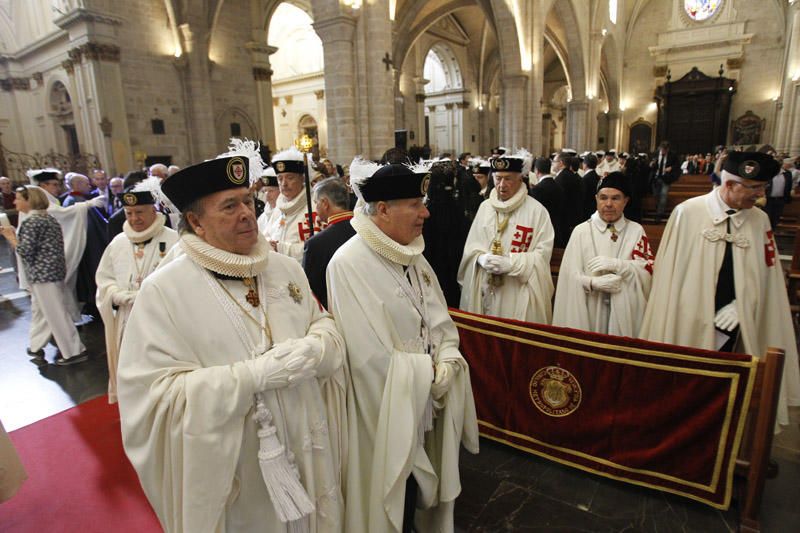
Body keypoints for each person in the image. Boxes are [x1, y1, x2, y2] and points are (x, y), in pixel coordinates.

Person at [117, 147, 346, 532]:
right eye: (228, 206)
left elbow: (322, 324)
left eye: (247, 200)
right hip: (241, 468)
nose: (246, 213)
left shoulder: (284, 267)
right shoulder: (165, 291)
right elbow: (154, 399)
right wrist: (253, 377)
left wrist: (316, 348)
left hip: (306, 442)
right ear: (195, 221)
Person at [326, 162, 478, 533]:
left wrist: (447, 357)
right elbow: (367, 358)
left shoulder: (412, 254)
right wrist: (428, 375)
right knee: (394, 497)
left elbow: (439, 321)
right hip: (385, 415)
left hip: (425, 402)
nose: (426, 212)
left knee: (418, 502)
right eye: (415, 203)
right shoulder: (349, 263)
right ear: (382, 209)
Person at [640, 151, 800, 427]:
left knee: (730, 395)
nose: (761, 196)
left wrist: (744, 304)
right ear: (729, 185)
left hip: (739, 325)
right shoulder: (688, 213)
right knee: (689, 392)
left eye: (762, 188)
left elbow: (767, 274)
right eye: (754, 189)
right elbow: (670, 275)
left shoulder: (759, 220)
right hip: (688, 320)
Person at [95, 186, 179, 403]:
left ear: (153, 210)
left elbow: (183, 282)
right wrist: (116, 294)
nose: (134, 218)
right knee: (131, 367)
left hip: (161, 319)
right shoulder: (118, 242)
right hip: (127, 318)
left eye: (140, 212)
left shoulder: (174, 240)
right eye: (129, 213)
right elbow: (104, 279)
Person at [458, 151, 555, 323]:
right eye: (497, 178)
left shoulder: (537, 211)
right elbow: (471, 249)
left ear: (520, 179)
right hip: (486, 290)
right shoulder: (485, 207)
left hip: (518, 292)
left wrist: (512, 263)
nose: (502, 184)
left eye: (508, 178)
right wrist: (480, 258)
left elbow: (542, 256)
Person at [552, 173, 654, 336]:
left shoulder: (636, 231)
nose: (608, 204)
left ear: (626, 201)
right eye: (603, 197)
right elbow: (568, 276)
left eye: (615, 198)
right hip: (589, 307)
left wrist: (621, 266)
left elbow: (647, 272)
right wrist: (591, 283)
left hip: (624, 312)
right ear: (596, 199)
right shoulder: (581, 231)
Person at [1, 185, 88, 365]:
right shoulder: (46, 218)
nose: (14, 201)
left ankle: (74, 352)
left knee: (56, 314)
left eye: (18, 198)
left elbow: (25, 252)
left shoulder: (32, 221)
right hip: (51, 272)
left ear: (28, 200)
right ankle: (35, 345)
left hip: (43, 275)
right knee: (41, 311)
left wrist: (10, 237)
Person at [302, 176, 355, 309]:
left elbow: (311, 292)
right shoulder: (366, 230)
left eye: (316, 203)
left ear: (325, 203)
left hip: (335, 313)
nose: (315, 208)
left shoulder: (316, 244)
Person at [264, 147, 317, 262]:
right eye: (280, 178)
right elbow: (267, 234)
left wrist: (281, 248)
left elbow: (319, 248)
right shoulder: (278, 208)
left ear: (302, 178)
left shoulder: (314, 206)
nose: (284, 184)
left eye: (290, 177)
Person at [530, 156, 567, 247]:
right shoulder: (558, 187)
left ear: (536, 170)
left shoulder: (537, 189)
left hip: (542, 235)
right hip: (557, 231)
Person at [552, 151, 585, 242]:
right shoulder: (573, 176)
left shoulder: (560, 179)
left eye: (554, 162)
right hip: (575, 220)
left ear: (561, 163)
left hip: (564, 222)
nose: (552, 164)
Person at [649, 141, 680, 221]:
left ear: (668, 150)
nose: (663, 152)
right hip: (655, 178)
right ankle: (658, 208)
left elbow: (677, 165)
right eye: (662, 150)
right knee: (656, 195)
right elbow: (650, 164)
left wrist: (671, 168)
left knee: (663, 195)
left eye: (665, 151)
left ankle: (659, 214)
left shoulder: (672, 155)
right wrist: (651, 164)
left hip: (666, 178)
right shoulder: (655, 154)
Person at [764, 160, 792, 229]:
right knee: (766, 218)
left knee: (776, 218)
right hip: (768, 199)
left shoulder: (787, 174)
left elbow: (789, 186)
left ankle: (772, 234)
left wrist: (787, 199)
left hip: (780, 200)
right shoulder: (768, 173)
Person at [256, 166, 280, 234]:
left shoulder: (287, 213)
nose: (267, 196)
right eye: (265, 191)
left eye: (271, 191)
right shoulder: (262, 218)